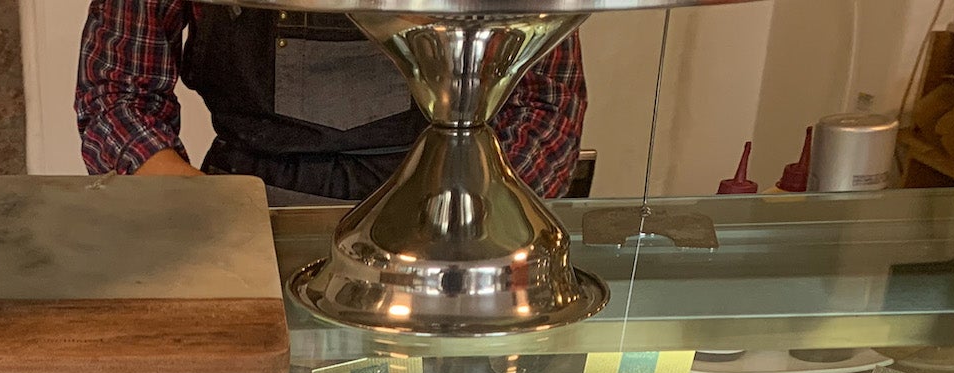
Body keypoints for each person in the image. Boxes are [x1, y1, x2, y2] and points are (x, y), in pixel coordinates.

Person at [76, 3, 587, 205]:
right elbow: (116, 97)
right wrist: (213, 215)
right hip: (240, 200)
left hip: (440, 201)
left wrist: (474, 221)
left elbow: (547, 101)